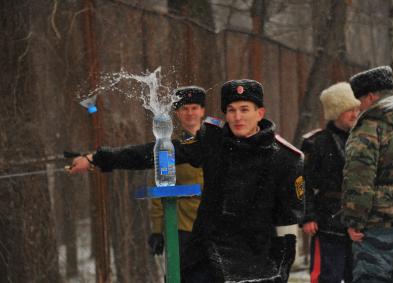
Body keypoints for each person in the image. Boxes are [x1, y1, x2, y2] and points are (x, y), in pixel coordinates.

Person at [70, 79, 304, 282]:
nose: (237, 117)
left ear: (259, 113)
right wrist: (98, 158)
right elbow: (159, 152)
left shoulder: (284, 158)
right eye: (231, 110)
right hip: (206, 253)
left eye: (245, 109)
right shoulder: (213, 141)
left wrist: (280, 270)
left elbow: (287, 224)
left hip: (253, 261)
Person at [341, 66, 393, 282]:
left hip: (380, 224)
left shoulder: (369, 126)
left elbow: (359, 178)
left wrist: (354, 221)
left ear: (370, 96)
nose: (358, 107)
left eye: (359, 101)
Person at [301, 82, 359, 283]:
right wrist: (307, 216)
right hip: (326, 222)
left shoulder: (363, 139)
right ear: (336, 112)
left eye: (356, 109)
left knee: (357, 275)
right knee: (326, 276)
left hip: (357, 223)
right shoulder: (316, 143)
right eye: (348, 110)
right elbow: (303, 182)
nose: (354, 114)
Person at [148, 87, 205, 265]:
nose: (190, 113)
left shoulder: (217, 142)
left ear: (202, 111)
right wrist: (157, 230)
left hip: (215, 225)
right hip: (183, 226)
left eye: (194, 108)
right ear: (177, 113)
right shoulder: (168, 148)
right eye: (184, 109)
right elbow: (160, 192)